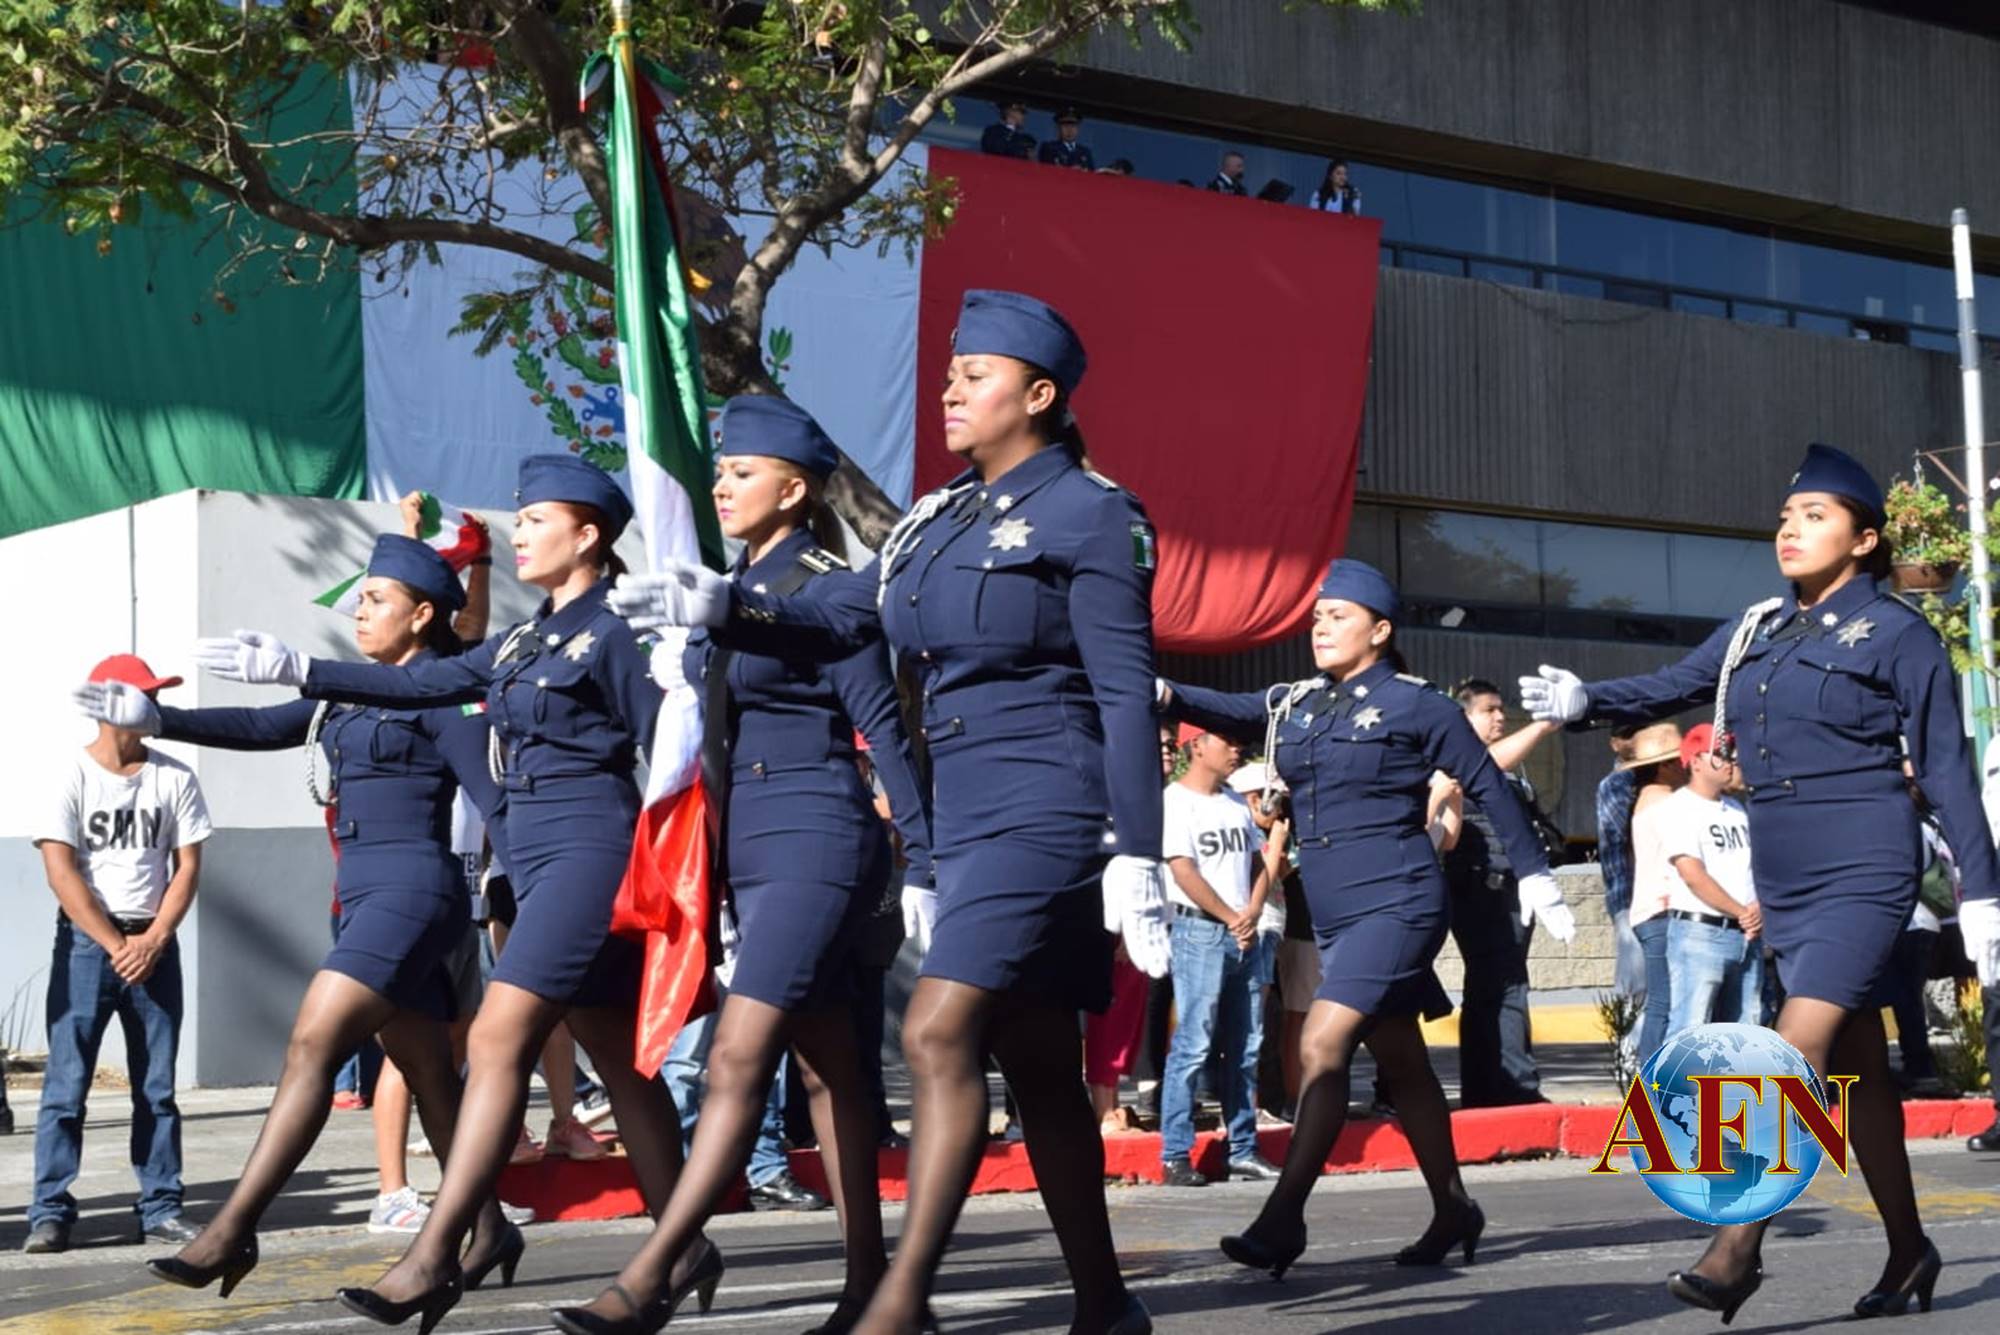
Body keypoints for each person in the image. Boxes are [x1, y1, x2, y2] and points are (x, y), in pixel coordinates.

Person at [612, 288, 1169, 1335]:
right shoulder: (933, 516)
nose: (951, 388)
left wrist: (1136, 847)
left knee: (934, 1027)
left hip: (1046, 802)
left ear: (1037, 395)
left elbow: (1121, 685)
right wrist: (729, 603)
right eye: (951, 370)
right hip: (961, 811)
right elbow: (840, 613)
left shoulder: (1092, 512)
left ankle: (897, 1306)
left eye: (975, 374)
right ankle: (1104, 1303)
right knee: (1039, 1063)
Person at [192, 454, 708, 1333]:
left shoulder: (615, 631)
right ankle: (686, 1246)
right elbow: (418, 680)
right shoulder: (521, 637)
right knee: (621, 1064)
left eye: (536, 517)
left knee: (502, 1032)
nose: (521, 530)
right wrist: (302, 670)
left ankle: (437, 1254)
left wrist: (705, 879)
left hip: (592, 849)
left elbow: (675, 749)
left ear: (588, 535)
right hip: (537, 863)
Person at [1521, 441, 2000, 1321]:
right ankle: (1909, 1251)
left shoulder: (1897, 630)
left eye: (1815, 515)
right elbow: (1677, 682)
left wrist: (1981, 890)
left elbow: (1944, 763)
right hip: (1784, 872)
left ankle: (1737, 1249)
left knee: (1792, 1041)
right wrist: (1589, 701)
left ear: (1864, 540)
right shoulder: (1755, 627)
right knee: (1859, 1076)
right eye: (1786, 516)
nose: (1791, 529)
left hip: (1864, 860)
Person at [553, 395, 932, 1335]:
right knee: (829, 1072)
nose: (721, 485)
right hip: (749, 848)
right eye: (719, 471)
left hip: (816, 836)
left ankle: (656, 1271)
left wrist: (924, 860)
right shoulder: (723, 585)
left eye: (740, 472)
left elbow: (881, 723)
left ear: (794, 489)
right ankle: (880, 1294)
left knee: (734, 1055)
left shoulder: (824, 583)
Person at [72, 536, 516, 1294]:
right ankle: (489, 1226)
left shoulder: (444, 691)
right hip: (364, 897)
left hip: (415, 894)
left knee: (313, 1039)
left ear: (423, 613)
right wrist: (157, 717)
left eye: (376, 598)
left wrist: (532, 893)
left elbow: (497, 798)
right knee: (430, 1075)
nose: (360, 610)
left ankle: (233, 1228)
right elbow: (262, 726)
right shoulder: (349, 687)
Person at [1161, 559, 1576, 1281]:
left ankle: (1282, 1218)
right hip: (1337, 912)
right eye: (1318, 615)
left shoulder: (1418, 705)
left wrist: (1536, 872)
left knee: (1322, 1042)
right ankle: (1453, 1206)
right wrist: (1162, 692)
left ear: (1380, 630)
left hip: (1401, 899)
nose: (1321, 624)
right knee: (1402, 1061)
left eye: (1339, 615)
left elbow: (1485, 780)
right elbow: (1232, 708)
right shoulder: (1298, 703)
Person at [27, 655, 211, 1255]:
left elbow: (187, 867)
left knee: (156, 1087)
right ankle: (49, 1213)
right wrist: (115, 945)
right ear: (113, 705)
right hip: (86, 947)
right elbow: (61, 871)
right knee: (66, 1085)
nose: (155, 705)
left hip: (155, 945)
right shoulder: (70, 776)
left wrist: (154, 939)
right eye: (146, 695)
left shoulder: (175, 776)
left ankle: (160, 1207)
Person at [1156, 724, 1286, 1187]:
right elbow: (1183, 869)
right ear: (1198, 746)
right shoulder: (1175, 801)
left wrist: (1251, 910)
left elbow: (1256, 860)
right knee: (1194, 1043)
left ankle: (1243, 1149)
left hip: (1244, 932)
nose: (1237, 750)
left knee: (1248, 1043)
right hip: (1199, 931)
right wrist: (1232, 916)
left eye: (1239, 742)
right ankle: (1175, 1152)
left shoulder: (1234, 802)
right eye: (1227, 742)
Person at [1442, 679, 1559, 1107]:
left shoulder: (1511, 774)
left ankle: (1488, 1090)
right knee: (1505, 986)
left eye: (1501, 711)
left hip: (1509, 887)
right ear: (1463, 716)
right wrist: (1543, 726)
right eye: (1488, 710)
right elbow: (1483, 768)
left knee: (1497, 987)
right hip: (1481, 886)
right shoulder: (1457, 757)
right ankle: (1515, 1087)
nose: (1499, 718)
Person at [1658, 724, 1763, 1035]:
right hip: (1701, 931)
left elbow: (1751, 868)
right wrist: (1741, 910)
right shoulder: (1678, 807)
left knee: (1747, 1029)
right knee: (1692, 1027)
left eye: (1731, 752)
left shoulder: (1735, 808)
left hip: (1746, 933)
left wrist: (1757, 907)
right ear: (1695, 761)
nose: (1730, 760)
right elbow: (1693, 874)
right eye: (1720, 753)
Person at [1623, 721, 1685, 1064]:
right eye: (1678, 760)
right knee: (1665, 1003)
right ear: (1664, 766)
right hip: (1662, 911)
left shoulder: (1646, 801)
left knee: (1662, 1002)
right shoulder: (1668, 804)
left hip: (1650, 911)